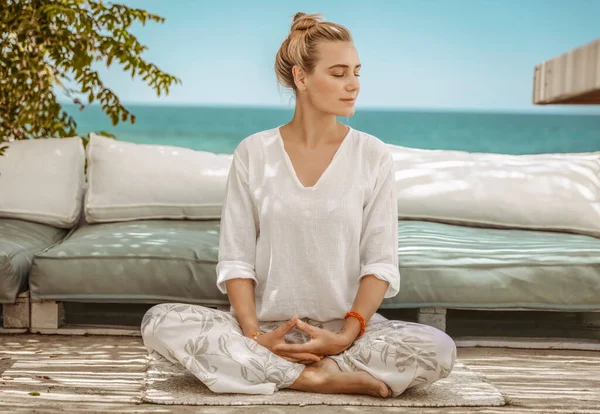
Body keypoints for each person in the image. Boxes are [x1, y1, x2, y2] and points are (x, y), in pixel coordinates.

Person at [141, 12, 456, 398]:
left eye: (357, 72)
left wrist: (344, 336)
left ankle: (283, 369)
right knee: (160, 322)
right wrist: (256, 335)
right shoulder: (254, 153)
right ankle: (315, 377)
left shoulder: (372, 155)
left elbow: (379, 263)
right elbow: (237, 260)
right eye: (339, 73)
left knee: (439, 348)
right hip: (263, 330)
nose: (353, 85)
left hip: (346, 333)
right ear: (301, 77)